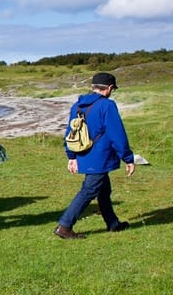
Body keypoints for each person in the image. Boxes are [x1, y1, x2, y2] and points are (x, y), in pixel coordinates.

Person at [54, 72, 135, 239]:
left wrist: (71, 156)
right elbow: (117, 134)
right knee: (89, 190)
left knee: (104, 190)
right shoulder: (107, 105)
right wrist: (128, 158)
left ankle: (113, 223)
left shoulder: (77, 105)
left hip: (84, 153)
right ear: (110, 88)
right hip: (100, 156)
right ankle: (64, 226)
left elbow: (70, 133)